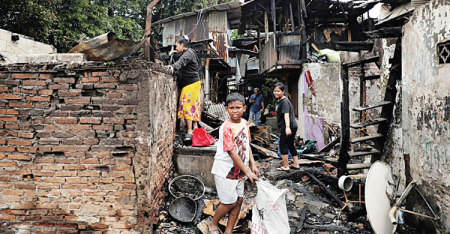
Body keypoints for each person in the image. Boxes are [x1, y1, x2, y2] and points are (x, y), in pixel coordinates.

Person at [209, 93, 260, 234]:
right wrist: (248, 171)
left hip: (240, 171)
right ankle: (213, 224)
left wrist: (253, 165)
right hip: (225, 171)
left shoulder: (244, 123)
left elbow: (247, 144)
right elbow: (232, 152)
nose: (235, 110)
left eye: (238, 107)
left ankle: (229, 230)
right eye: (231, 108)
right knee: (228, 203)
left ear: (244, 108)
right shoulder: (226, 128)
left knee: (238, 201)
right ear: (226, 109)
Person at [166, 35, 201, 141]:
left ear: (182, 45)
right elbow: (180, 58)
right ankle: (195, 129)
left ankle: (190, 130)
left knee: (187, 106)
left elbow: (181, 62)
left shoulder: (188, 53)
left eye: (177, 46)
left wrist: (173, 66)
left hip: (191, 83)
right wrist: (173, 54)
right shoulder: (188, 53)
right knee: (193, 106)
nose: (176, 48)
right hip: (192, 83)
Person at [273, 82, 300, 171]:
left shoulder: (284, 101)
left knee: (283, 145)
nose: (276, 93)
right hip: (292, 126)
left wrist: (287, 127)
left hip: (288, 126)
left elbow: (286, 114)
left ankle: (286, 166)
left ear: (283, 92)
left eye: (278, 91)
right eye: (275, 91)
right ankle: (296, 164)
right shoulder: (280, 101)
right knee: (290, 145)